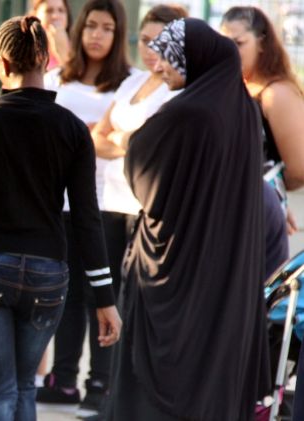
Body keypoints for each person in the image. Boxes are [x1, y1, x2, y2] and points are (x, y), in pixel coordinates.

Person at [0, 15, 121, 421]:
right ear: (47, 60)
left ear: (1, 66)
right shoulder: (73, 129)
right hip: (48, 274)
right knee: (25, 386)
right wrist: (104, 299)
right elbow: (86, 218)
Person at [106, 18, 270, 420]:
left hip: (176, 264)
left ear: (195, 59)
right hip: (226, 266)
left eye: (170, 58)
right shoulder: (243, 109)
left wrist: (127, 140)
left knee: (163, 373)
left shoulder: (185, 112)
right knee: (210, 364)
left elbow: (146, 179)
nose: (159, 67)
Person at [37, 0, 131, 415]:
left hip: (108, 206)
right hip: (61, 205)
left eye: (106, 28)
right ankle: (64, 380)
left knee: (101, 296)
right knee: (67, 294)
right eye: (90, 25)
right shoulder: (56, 79)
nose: (96, 34)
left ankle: (101, 385)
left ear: (117, 34)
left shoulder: (129, 84)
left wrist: (102, 142)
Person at [220, 6, 303, 273]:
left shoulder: (275, 93)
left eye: (239, 43)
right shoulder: (234, 88)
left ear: (262, 42)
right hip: (227, 213)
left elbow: (299, 168)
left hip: (255, 218)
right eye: (224, 43)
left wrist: (270, 191)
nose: (230, 51)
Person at [0, 0, 71, 83]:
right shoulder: (19, 43)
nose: (56, 16)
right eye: (49, 10)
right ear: (35, 14)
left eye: (61, 10)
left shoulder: (80, 47)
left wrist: (63, 53)